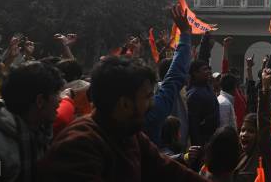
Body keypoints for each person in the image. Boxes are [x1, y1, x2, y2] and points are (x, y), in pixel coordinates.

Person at [37, 47, 207, 181]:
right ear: (124, 104)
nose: (152, 103)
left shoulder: (129, 134)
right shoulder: (79, 145)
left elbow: (169, 170)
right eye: (147, 96)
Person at [144, 4, 193, 147]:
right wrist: (185, 33)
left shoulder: (104, 125)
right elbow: (175, 74)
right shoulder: (153, 113)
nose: (150, 98)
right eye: (147, 95)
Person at [234, 68, 271, 182]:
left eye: (251, 131)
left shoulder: (263, 153)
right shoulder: (239, 156)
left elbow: (264, 122)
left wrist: (265, 89)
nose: (244, 134)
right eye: (243, 130)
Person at [187, 59, 220, 146]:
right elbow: (193, 125)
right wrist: (198, 146)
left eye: (208, 69)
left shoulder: (208, 88)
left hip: (213, 139)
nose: (208, 71)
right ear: (195, 73)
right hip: (203, 142)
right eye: (204, 69)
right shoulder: (194, 94)